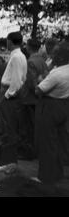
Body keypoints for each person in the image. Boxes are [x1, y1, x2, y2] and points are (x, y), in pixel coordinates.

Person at [35, 42, 69, 185]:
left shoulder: (56, 73)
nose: (51, 55)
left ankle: (45, 176)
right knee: (58, 142)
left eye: (54, 53)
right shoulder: (66, 70)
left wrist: (41, 76)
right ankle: (58, 173)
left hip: (50, 106)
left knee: (46, 142)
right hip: (64, 105)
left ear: (59, 57)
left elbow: (38, 90)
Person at [20, 39, 48, 159]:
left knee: (28, 127)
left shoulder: (30, 62)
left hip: (29, 99)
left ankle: (29, 153)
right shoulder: (43, 61)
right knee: (35, 127)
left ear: (29, 47)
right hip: (39, 100)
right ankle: (35, 151)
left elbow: (31, 83)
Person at [0, 31, 28, 146]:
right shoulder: (21, 56)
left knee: (7, 123)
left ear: (9, 41)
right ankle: (9, 150)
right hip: (13, 92)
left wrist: (7, 95)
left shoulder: (16, 57)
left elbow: (16, 81)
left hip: (9, 92)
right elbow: (22, 78)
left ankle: (7, 150)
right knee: (11, 122)